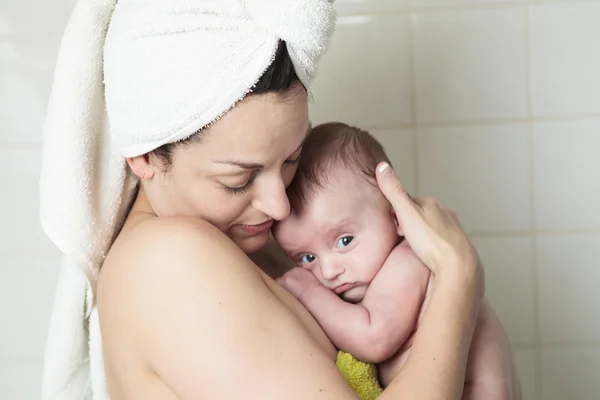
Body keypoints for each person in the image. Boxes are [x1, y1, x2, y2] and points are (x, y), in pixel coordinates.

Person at [41, 1, 485, 399]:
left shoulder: (244, 240)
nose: (279, 206)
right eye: (239, 178)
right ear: (146, 156)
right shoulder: (166, 262)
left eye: (290, 160)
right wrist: (458, 277)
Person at [273, 122, 522, 399]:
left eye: (345, 241)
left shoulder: (408, 262)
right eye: (307, 258)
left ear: (397, 217)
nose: (329, 271)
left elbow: (373, 338)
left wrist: (307, 290)